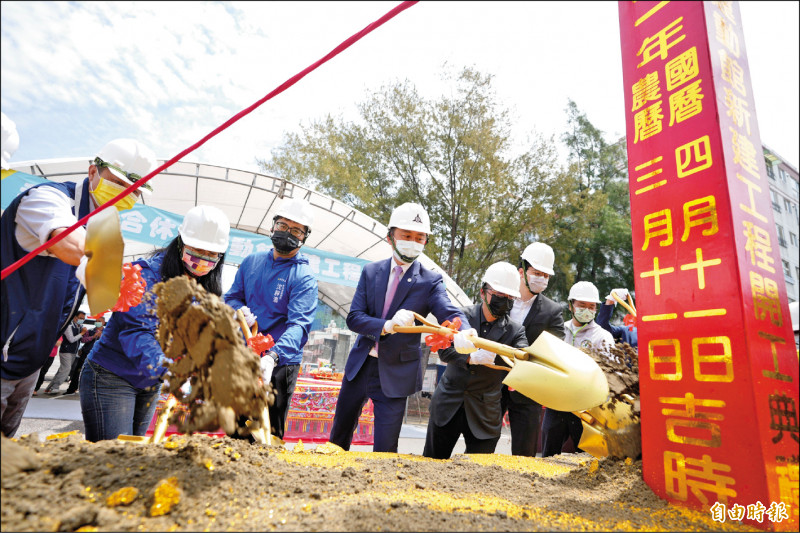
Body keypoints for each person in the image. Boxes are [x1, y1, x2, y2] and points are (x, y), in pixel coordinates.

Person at [1, 138, 157, 437]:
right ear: (92, 173)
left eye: (134, 191)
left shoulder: (101, 228)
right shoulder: (48, 198)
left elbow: (100, 298)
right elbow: (65, 241)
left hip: (31, 361)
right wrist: (115, 272)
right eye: (119, 183)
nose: (126, 195)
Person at [329, 202, 475, 453]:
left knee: (385, 448)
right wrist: (386, 325)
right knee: (338, 437)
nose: (413, 241)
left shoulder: (430, 281)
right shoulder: (371, 272)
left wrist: (466, 330)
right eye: (406, 235)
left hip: (396, 373)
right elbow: (354, 318)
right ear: (390, 237)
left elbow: (447, 310)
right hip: (360, 367)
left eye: (419, 237)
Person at [80, 205, 230, 441]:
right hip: (113, 376)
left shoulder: (201, 288)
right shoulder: (144, 276)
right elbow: (137, 332)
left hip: (151, 382)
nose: (203, 259)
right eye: (196, 249)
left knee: (136, 451)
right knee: (113, 456)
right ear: (180, 242)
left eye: (212, 254)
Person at [224, 198, 318, 440]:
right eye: (283, 226)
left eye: (296, 230)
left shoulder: (303, 277)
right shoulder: (251, 262)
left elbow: (299, 325)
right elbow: (232, 297)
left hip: (280, 363)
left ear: (304, 237)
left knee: (270, 431)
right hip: (247, 356)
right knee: (240, 425)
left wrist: (273, 356)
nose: (288, 233)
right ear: (273, 226)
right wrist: (238, 310)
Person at [423, 262, 528, 459]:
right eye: (499, 295)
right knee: (432, 461)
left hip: (485, 412)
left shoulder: (516, 330)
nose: (504, 301)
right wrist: (470, 357)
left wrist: (496, 357)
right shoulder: (461, 316)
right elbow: (444, 349)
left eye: (509, 297)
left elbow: (521, 358)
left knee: (477, 471)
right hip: (448, 403)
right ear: (483, 292)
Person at [502, 242, 565, 457]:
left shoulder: (552, 311)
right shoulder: (501, 297)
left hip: (528, 392)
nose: (542, 279)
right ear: (522, 272)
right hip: (492, 384)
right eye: (537, 273)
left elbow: (554, 349)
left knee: (524, 453)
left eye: (546, 275)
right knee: (481, 445)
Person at [540, 280, 614, 457]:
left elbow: (610, 372)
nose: (587, 310)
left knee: (587, 454)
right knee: (549, 447)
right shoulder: (558, 330)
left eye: (591, 306)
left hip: (586, 405)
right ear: (571, 305)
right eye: (582, 305)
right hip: (557, 401)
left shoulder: (602, 337)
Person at [44, 311, 87, 394]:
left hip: (74, 352)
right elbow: (71, 339)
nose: (82, 320)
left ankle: (50, 387)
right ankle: (55, 387)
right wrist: (82, 333)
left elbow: (80, 339)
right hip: (66, 351)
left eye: (83, 319)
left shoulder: (80, 326)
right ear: (75, 317)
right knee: (66, 369)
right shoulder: (69, 326)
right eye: (81, 318)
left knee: (62, 370)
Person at [64, 317, 105, 395]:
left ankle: (94, 390)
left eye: (99, 321)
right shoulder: (90, 331)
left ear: (103, 322)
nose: (97, 322)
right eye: (96, 321)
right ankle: (72, 389)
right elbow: (83, 340)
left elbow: (108, 341)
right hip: (86, 353)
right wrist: (93, 337)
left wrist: (101, 336)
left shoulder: (107, 332)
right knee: (78, 371)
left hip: (100, 355)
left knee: (97, 373)